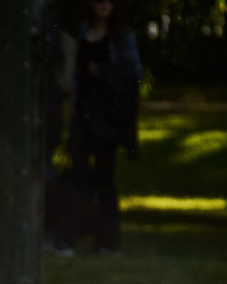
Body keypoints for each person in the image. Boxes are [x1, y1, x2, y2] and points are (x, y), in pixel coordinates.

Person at [66, 0, 142, 254]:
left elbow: (133, 75)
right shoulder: (83, 30)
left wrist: (105, 72)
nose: (104, 4)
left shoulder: (122, 36)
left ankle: (109, 242)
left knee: (104, 180)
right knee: (79, 178)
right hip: (83, 116)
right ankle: (74, 236)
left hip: (106, 119)